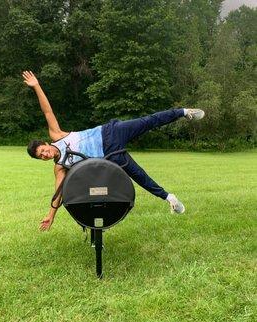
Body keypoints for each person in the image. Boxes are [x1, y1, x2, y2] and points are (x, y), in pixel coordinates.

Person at [22, 71, 205, 231]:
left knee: (147, 121)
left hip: (110, 131)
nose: (45, 154)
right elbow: (58, 194)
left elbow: (47, 111)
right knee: (139, 175)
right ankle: (170, 199)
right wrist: (51, 216)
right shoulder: (60, 167)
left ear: (46, 143)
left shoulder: (57, 134)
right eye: (42, 156)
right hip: (111, 156)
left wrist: (36, 86)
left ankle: (183, 112)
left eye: (43, 150)